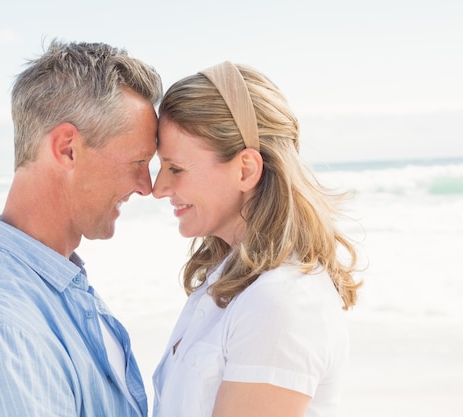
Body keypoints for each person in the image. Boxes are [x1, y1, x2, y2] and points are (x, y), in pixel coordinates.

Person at [0, 40, 162, 417]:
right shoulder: (0, 328)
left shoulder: (57, 287)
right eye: (137, 161)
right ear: (67, 148)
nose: (145, 186)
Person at [151, 61, 361, 417]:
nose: (158, 188)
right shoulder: (233, 282)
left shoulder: (281, 300)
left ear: (245, 169)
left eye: (176, 168)